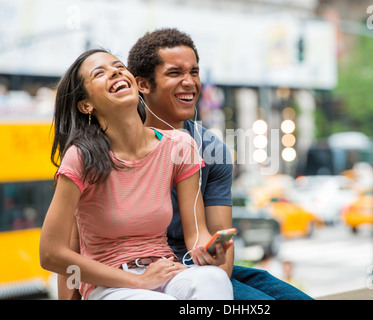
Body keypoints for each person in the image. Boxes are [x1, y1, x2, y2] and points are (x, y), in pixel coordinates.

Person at [127, 28, 313, 300]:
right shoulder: (113, 145)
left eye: (194, 72)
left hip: (200, 267)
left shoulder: (211, 149)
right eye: (175, 73)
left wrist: (214, 267)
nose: (190, 82)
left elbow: (220, 249)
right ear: (142, 84)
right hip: (146, 273)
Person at [40, 49, 233, 300]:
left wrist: (208, 252)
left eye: (118, 66)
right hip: (111, 286)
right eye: (99, 73)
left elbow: (196, 233)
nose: (115, 71)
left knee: (213, 279)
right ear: (86, 105)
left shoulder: (179, 145)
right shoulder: (80, 157)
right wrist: (137, 281)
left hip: (166, 271)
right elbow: (51, 253)